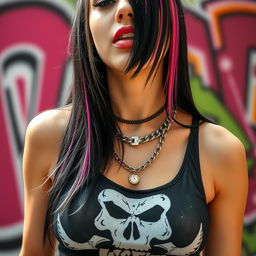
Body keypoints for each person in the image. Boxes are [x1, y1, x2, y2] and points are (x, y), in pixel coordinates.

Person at [19, 0, 248, 255]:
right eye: (103, 2)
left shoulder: (220, 152)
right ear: (87, 26)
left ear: (170, 17)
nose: (124, 9)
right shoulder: (49, 136)